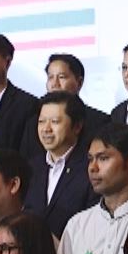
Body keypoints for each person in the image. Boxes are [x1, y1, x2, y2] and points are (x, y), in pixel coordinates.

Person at [28, 91, 98, 235]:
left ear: (77, 126)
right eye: (41, 121)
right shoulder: (31, 168)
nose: (46, 129)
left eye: (55, 121)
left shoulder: (92, 168)